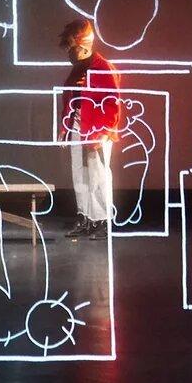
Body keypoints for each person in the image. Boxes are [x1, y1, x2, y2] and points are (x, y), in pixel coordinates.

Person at [57, 20, 120, 241]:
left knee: (98, 175)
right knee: (79, 173)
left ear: (83, 44)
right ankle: (85, 216)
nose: (69, 52)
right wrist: (65, 126)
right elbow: (69, 99)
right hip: (78, 127)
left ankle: (103, 220)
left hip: (96, 130)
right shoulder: (77, 69)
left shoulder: (103, 67)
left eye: (71, 46)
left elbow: (112, 102)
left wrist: (104, 131)